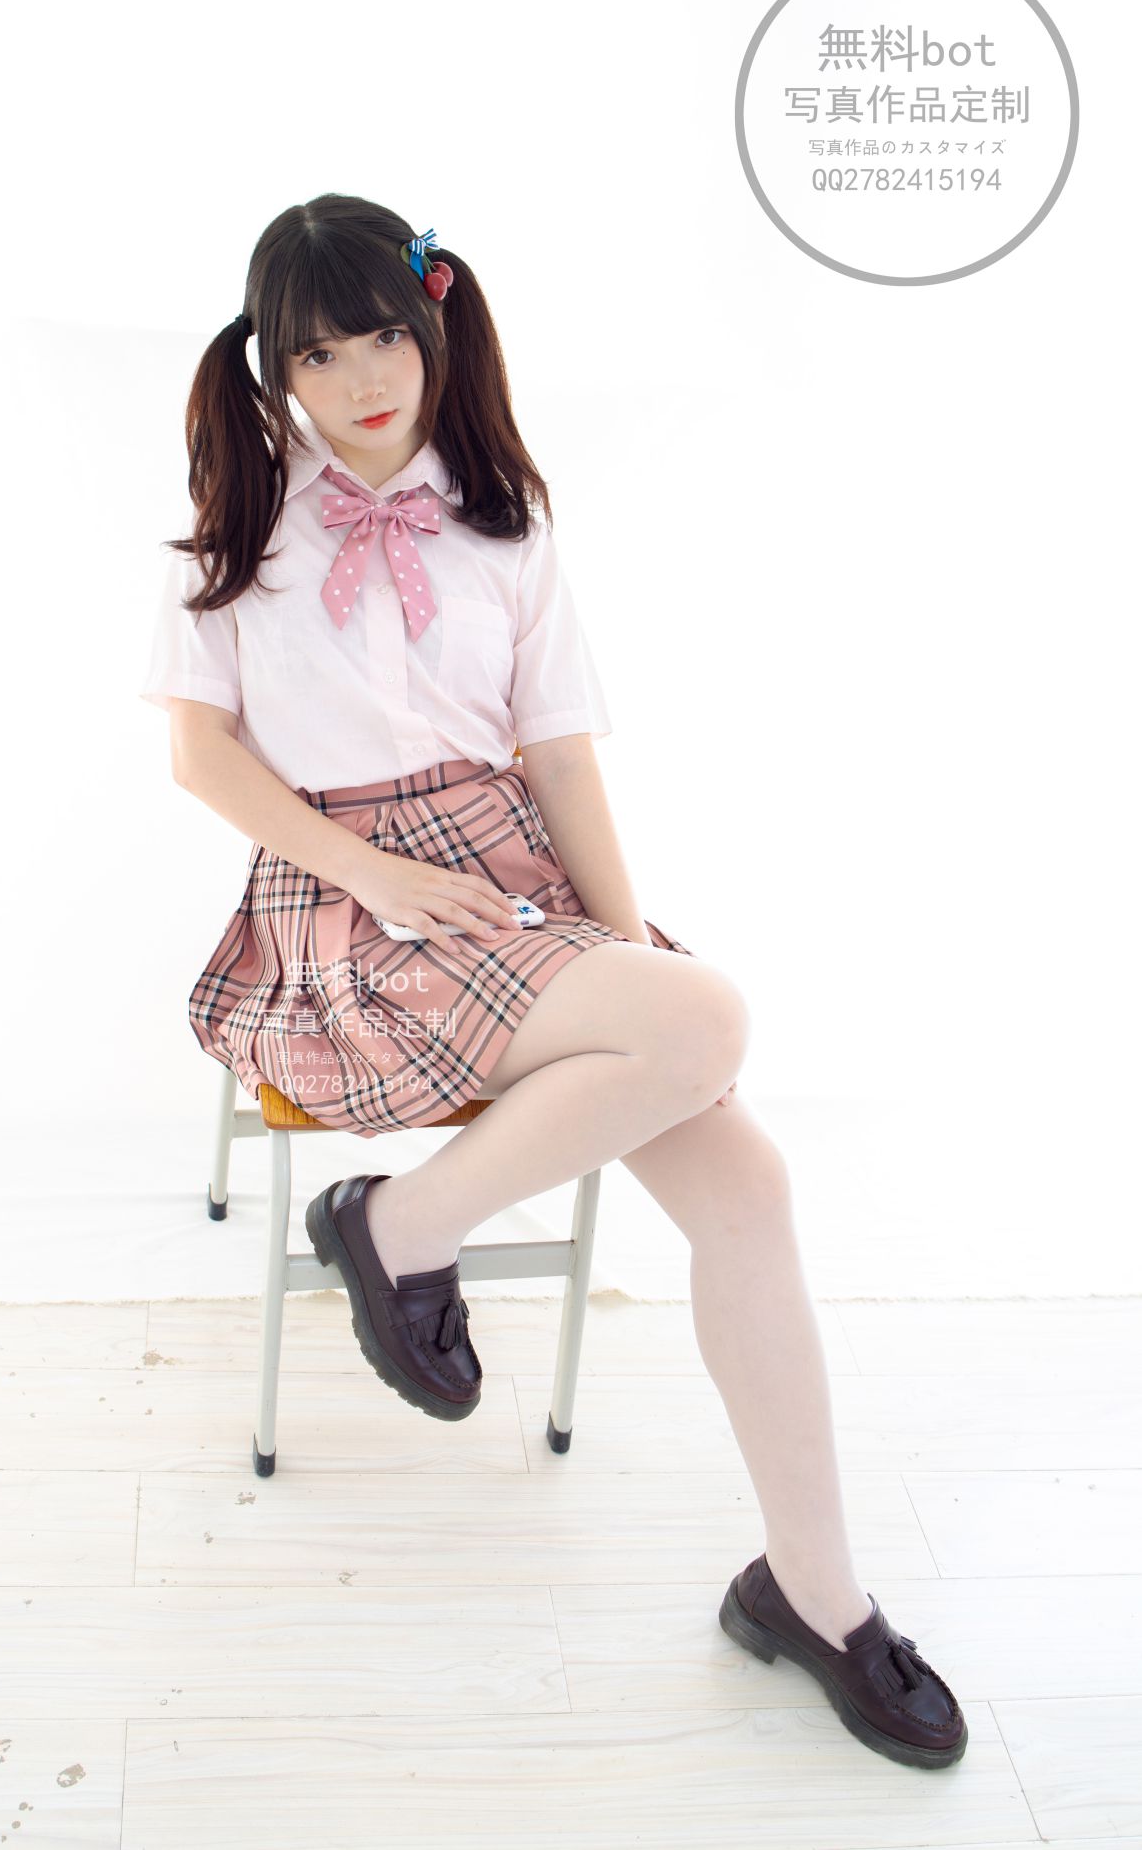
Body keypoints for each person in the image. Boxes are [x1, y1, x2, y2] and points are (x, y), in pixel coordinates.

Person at [139, 192, 966, 1770]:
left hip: (507, 877)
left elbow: (562, 760)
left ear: (435, 323)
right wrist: (379, 872)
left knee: (746, 1172)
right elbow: (201, 756)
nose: (364, 379)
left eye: (385, 336)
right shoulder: (240, 521)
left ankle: (813, 1591)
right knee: (707, 1019)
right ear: (274, 368)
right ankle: (398, 1227)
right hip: (343, 901)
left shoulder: (505, 516)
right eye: (319, 354)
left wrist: (620, 943)